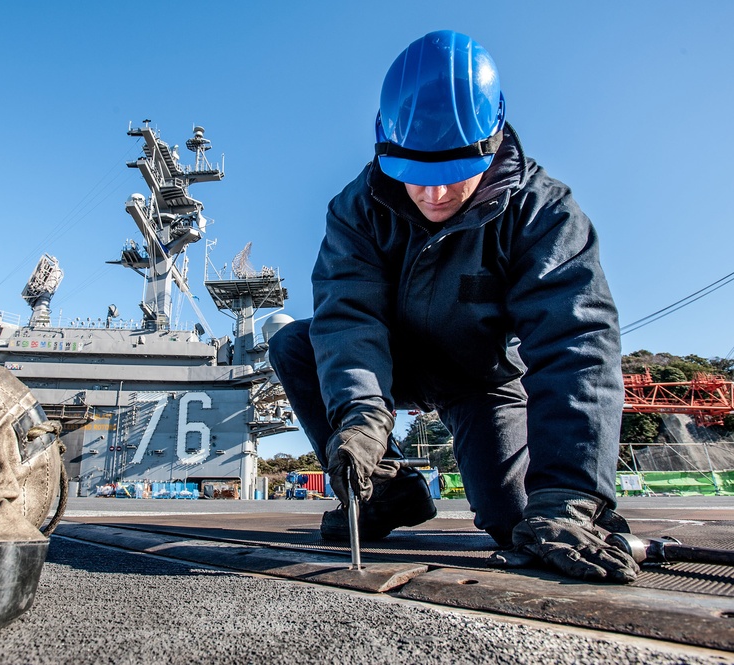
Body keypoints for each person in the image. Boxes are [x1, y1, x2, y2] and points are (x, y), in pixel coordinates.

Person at [268, 30, 639, 584]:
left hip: (481, 379)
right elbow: (350, 316)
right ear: (384, 147)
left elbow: (575, 346)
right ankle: (386, 492)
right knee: (296, 342)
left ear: (491, 146)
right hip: (394, 367)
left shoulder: (545, 212)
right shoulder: (356, 210)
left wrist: (569, 493)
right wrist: (362, 418)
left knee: (520, 523)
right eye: (416, 174)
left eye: (453, 174)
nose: (434, 195)